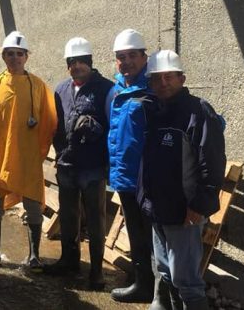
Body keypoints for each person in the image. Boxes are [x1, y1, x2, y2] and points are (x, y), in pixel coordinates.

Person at [140, 50, 226, 310]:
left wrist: (199, 205)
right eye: (157, 78)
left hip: (184, 212)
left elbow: (211, 163)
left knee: (186, 280)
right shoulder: (155, 111)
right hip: (158, 209)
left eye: (169, 77)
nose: (163, 82)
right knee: (165, 270)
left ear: (182, 78)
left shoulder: (198, 112)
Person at [0, 31, 57, 272]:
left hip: (27, 158)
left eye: (20, 54)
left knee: (33, 208)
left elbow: (49, 121)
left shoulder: (38, 86)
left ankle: (34, 256)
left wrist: (39, 152)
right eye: (10, 54)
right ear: (4, 57)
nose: (15, 58)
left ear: (26, 57)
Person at [45, 37, 113, 290]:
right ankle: (69, 261)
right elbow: (57, 126)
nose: (77, 66)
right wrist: (58, 153)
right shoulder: (61, 90)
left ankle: (96, 271)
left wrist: (96, 128)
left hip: (93, 168)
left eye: (82, 61)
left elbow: (115, 128)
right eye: (72, 62)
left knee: (95, 219)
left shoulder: (107, 89)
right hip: (67, 165)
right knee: (69, 216)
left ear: (91, 63)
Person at [107, 29, 159, 304]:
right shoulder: (119, 89)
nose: (125, 62)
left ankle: (159, 292)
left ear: (143, 56)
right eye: (120, 57)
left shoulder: (155, 88)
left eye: (131, 56)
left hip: (147, 180)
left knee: (154, 238)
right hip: (125, 177)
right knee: (137, 235)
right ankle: (143, 284)